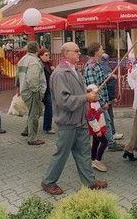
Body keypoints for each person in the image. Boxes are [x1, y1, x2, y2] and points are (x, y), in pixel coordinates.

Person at [41, 42, 108, 195]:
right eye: (76, 51)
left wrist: (87, 91)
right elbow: (64, 101)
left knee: (83, 153)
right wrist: (86, 97)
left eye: (79, 51)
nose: (80, 54)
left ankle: (90, 181)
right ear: (66, 54)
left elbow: (74, 92)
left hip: (80, 120)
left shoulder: (74, 70)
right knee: (61, 154)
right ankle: (48, 181)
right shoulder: (59, 73)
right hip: (68, 122)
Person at [83, 42, 124, 152]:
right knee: (105, 120)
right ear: (96, 52)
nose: (103, 50)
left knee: (105, 121)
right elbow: (93, 88)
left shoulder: (97, 64)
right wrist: (102, 102)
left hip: (101, 100)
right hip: (97, 102)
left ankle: (106, 142)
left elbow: (100, 81)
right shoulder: (91, 66)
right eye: (101, 49)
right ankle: (109, 143)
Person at [16, 41, 47, 145]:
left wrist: (18, 87)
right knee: (34, 113)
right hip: (32, 91)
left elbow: (18, 75)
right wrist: (36, 91)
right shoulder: (34, 61)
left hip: (24, 89)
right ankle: (32, 138)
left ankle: (26, 130)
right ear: (38, 50)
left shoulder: (23, 59)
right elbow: (33, 78)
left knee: (36, 110)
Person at [100, 53, 123, 140]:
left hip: (99, 97)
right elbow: (111, 84)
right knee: (109, 116)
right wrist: (113, 97)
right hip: (107, 97)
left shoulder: (97, 67)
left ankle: (103, 134)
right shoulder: (107, 69)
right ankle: (112, 133)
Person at [86, 84, 109, 172]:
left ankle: (93, 160)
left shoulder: (96, 102)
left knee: (95, 143)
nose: (96, 96)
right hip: (97, 129)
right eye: (94, 94)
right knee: (104, 142)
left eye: (97, 94)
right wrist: (97, 130)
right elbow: (91, 120)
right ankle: (97, 160)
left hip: (99, 128)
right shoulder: (91, 105)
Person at [37, 48, 55, 134]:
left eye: (48, 55)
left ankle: (47, 127)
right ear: (40, 56)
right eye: (46, 55)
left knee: (49, 107)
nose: (48, 57)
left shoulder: (49, 64)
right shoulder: (39, 64)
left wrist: (53, 70)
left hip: (48, 89)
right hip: (41, 89)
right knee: (37, 110)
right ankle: (30, 127)